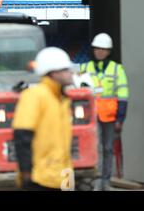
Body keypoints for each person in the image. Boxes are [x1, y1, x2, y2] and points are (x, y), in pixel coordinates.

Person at [13, 47, 74, 191]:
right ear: (53, 73)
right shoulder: (35, 96)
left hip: (64, 178)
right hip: (40, 180)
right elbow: (22, 138)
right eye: (66, 70)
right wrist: (26, 175)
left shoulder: (62, 100)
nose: (70, 73)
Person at [80, 33, 129, 191]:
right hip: (91, 118)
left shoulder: (117, 69)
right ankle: (96, 180)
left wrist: (120, 119)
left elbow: (123, 95)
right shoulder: (84, 68)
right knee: (96, 148)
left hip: (109, 117)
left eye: (103, 49)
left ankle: (106, 181)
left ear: (108, 51)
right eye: (97, 48)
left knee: (108, 148)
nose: (99, 52)